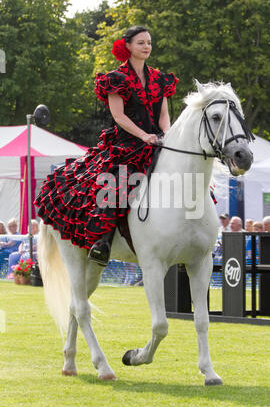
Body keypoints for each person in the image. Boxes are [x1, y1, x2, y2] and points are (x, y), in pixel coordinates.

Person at [34, 25, 178, 266]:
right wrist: (143, 136)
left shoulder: (160, 79)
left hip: (156, 142)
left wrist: (168, 135)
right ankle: (102, 241)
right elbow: (119, 117)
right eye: (141, 42)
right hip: (126, 146)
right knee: (117, 185)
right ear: (128, 46)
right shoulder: (116, 79)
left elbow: (163, 115)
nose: (147, 47)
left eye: (149, 42)